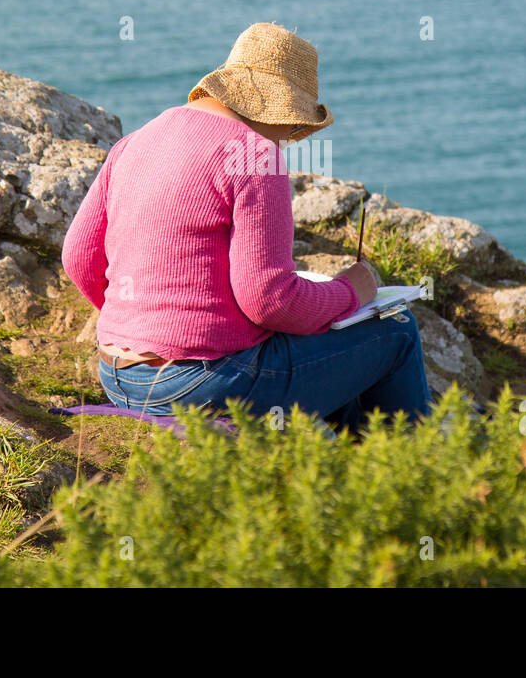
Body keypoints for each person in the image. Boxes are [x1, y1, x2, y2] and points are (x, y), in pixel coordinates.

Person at [61, 22, 433, 434]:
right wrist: (351, 292)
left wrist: (144, 325)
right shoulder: (256, 155)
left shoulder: (136, 140)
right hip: (198, 384)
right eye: (294, 128)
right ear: (280, 110)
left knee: (323, 355)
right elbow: (269, 301)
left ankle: (340, 462)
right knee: (396, 332)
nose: (290, 140)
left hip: (118, 375)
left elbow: (78, 258)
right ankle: (411, 478)